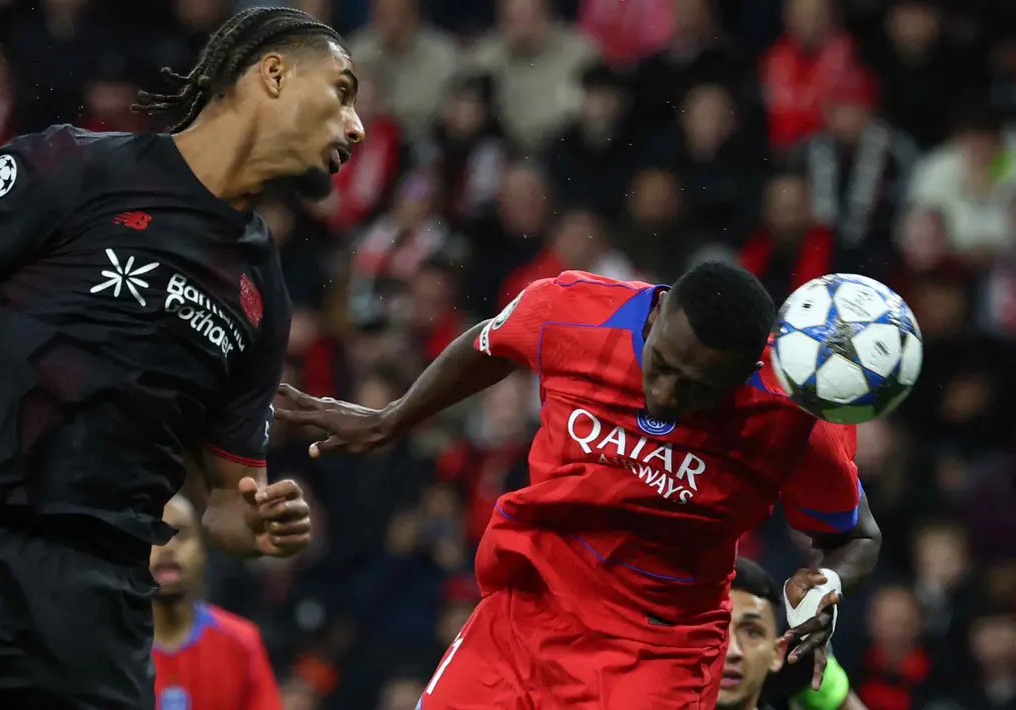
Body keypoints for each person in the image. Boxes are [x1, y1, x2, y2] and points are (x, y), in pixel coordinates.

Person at [0, 6, 364, 709]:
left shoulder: (261, 295)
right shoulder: (75, 165)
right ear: (272, 73)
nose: (355, 126)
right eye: (342, 92)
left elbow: (224, 500)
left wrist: (253, 526)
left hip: (105, 605)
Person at [277, 263, 883, 709]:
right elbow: (491, 342)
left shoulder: (789, 419)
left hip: (655, 659)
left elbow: (857, 537)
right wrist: (392, 418)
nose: (668, 396)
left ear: (746, 373)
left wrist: (827, 583)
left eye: (700, 388)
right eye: (663, 364)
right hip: (526, 614)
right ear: (655, 314)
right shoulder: (573, 310)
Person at [151, 494, 283, 710]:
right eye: (153, 534)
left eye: (181, 534)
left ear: (202, 552)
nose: (167, 547)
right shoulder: (105, 647)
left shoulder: (242, 642)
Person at [726, 557, 869, 710]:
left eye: (751, 632)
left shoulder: (801, 654)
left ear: (777, 651)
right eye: (718, 630)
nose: (731, 651)